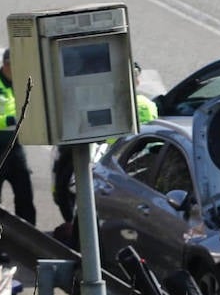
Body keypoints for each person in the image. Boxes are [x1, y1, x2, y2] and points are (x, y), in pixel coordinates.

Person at [52, 61, 158, 223]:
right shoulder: (147, 105)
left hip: (109, 161)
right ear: (137, 82)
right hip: (137, 163)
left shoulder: (102, 103)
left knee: (75, 189)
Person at [0, 48, 36, 224]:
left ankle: (27, 241)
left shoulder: (19, 85)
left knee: (25, 197)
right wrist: (13, 120)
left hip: (15, 148)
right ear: (6, 64)